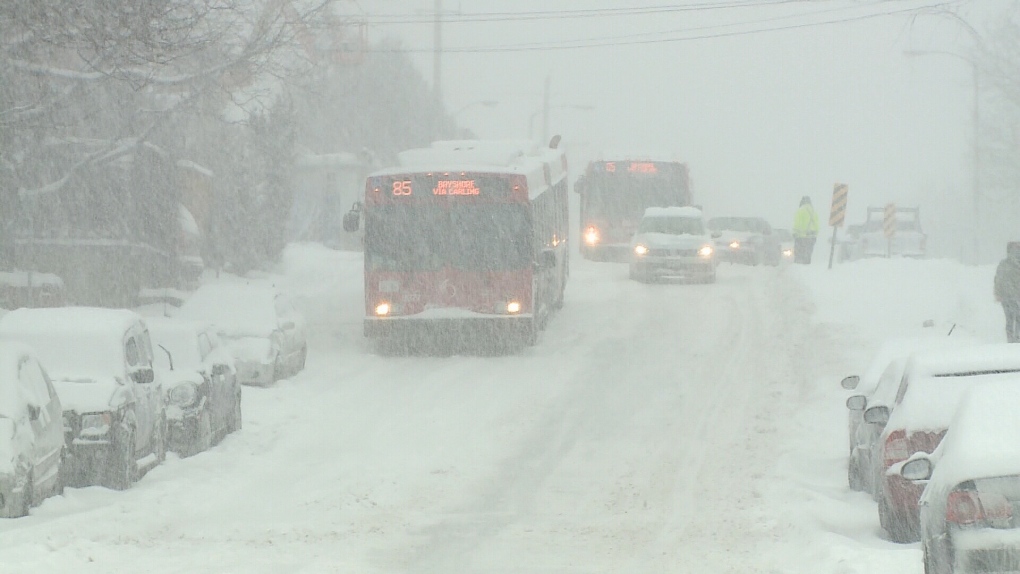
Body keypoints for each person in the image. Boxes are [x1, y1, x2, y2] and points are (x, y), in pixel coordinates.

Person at [995, 242, 1020, 343]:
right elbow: (998, 280)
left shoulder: (1005, 264)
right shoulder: (1007, 264)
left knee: (1011, 317)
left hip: (1010, 295)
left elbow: (997, 280)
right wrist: (999, 293)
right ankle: (1015, 338)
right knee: (1015, 316)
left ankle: (1012, 338)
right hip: (1009, 296)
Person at [792, 196, 819, 264]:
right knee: (808, 254)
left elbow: (797, 224)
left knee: (799, 254)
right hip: (812, 238)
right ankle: (807, 265)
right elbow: (817, 225)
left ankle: (799, 266)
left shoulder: (800, 210)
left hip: (801, 237)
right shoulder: (814, 212)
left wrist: (795, 233)